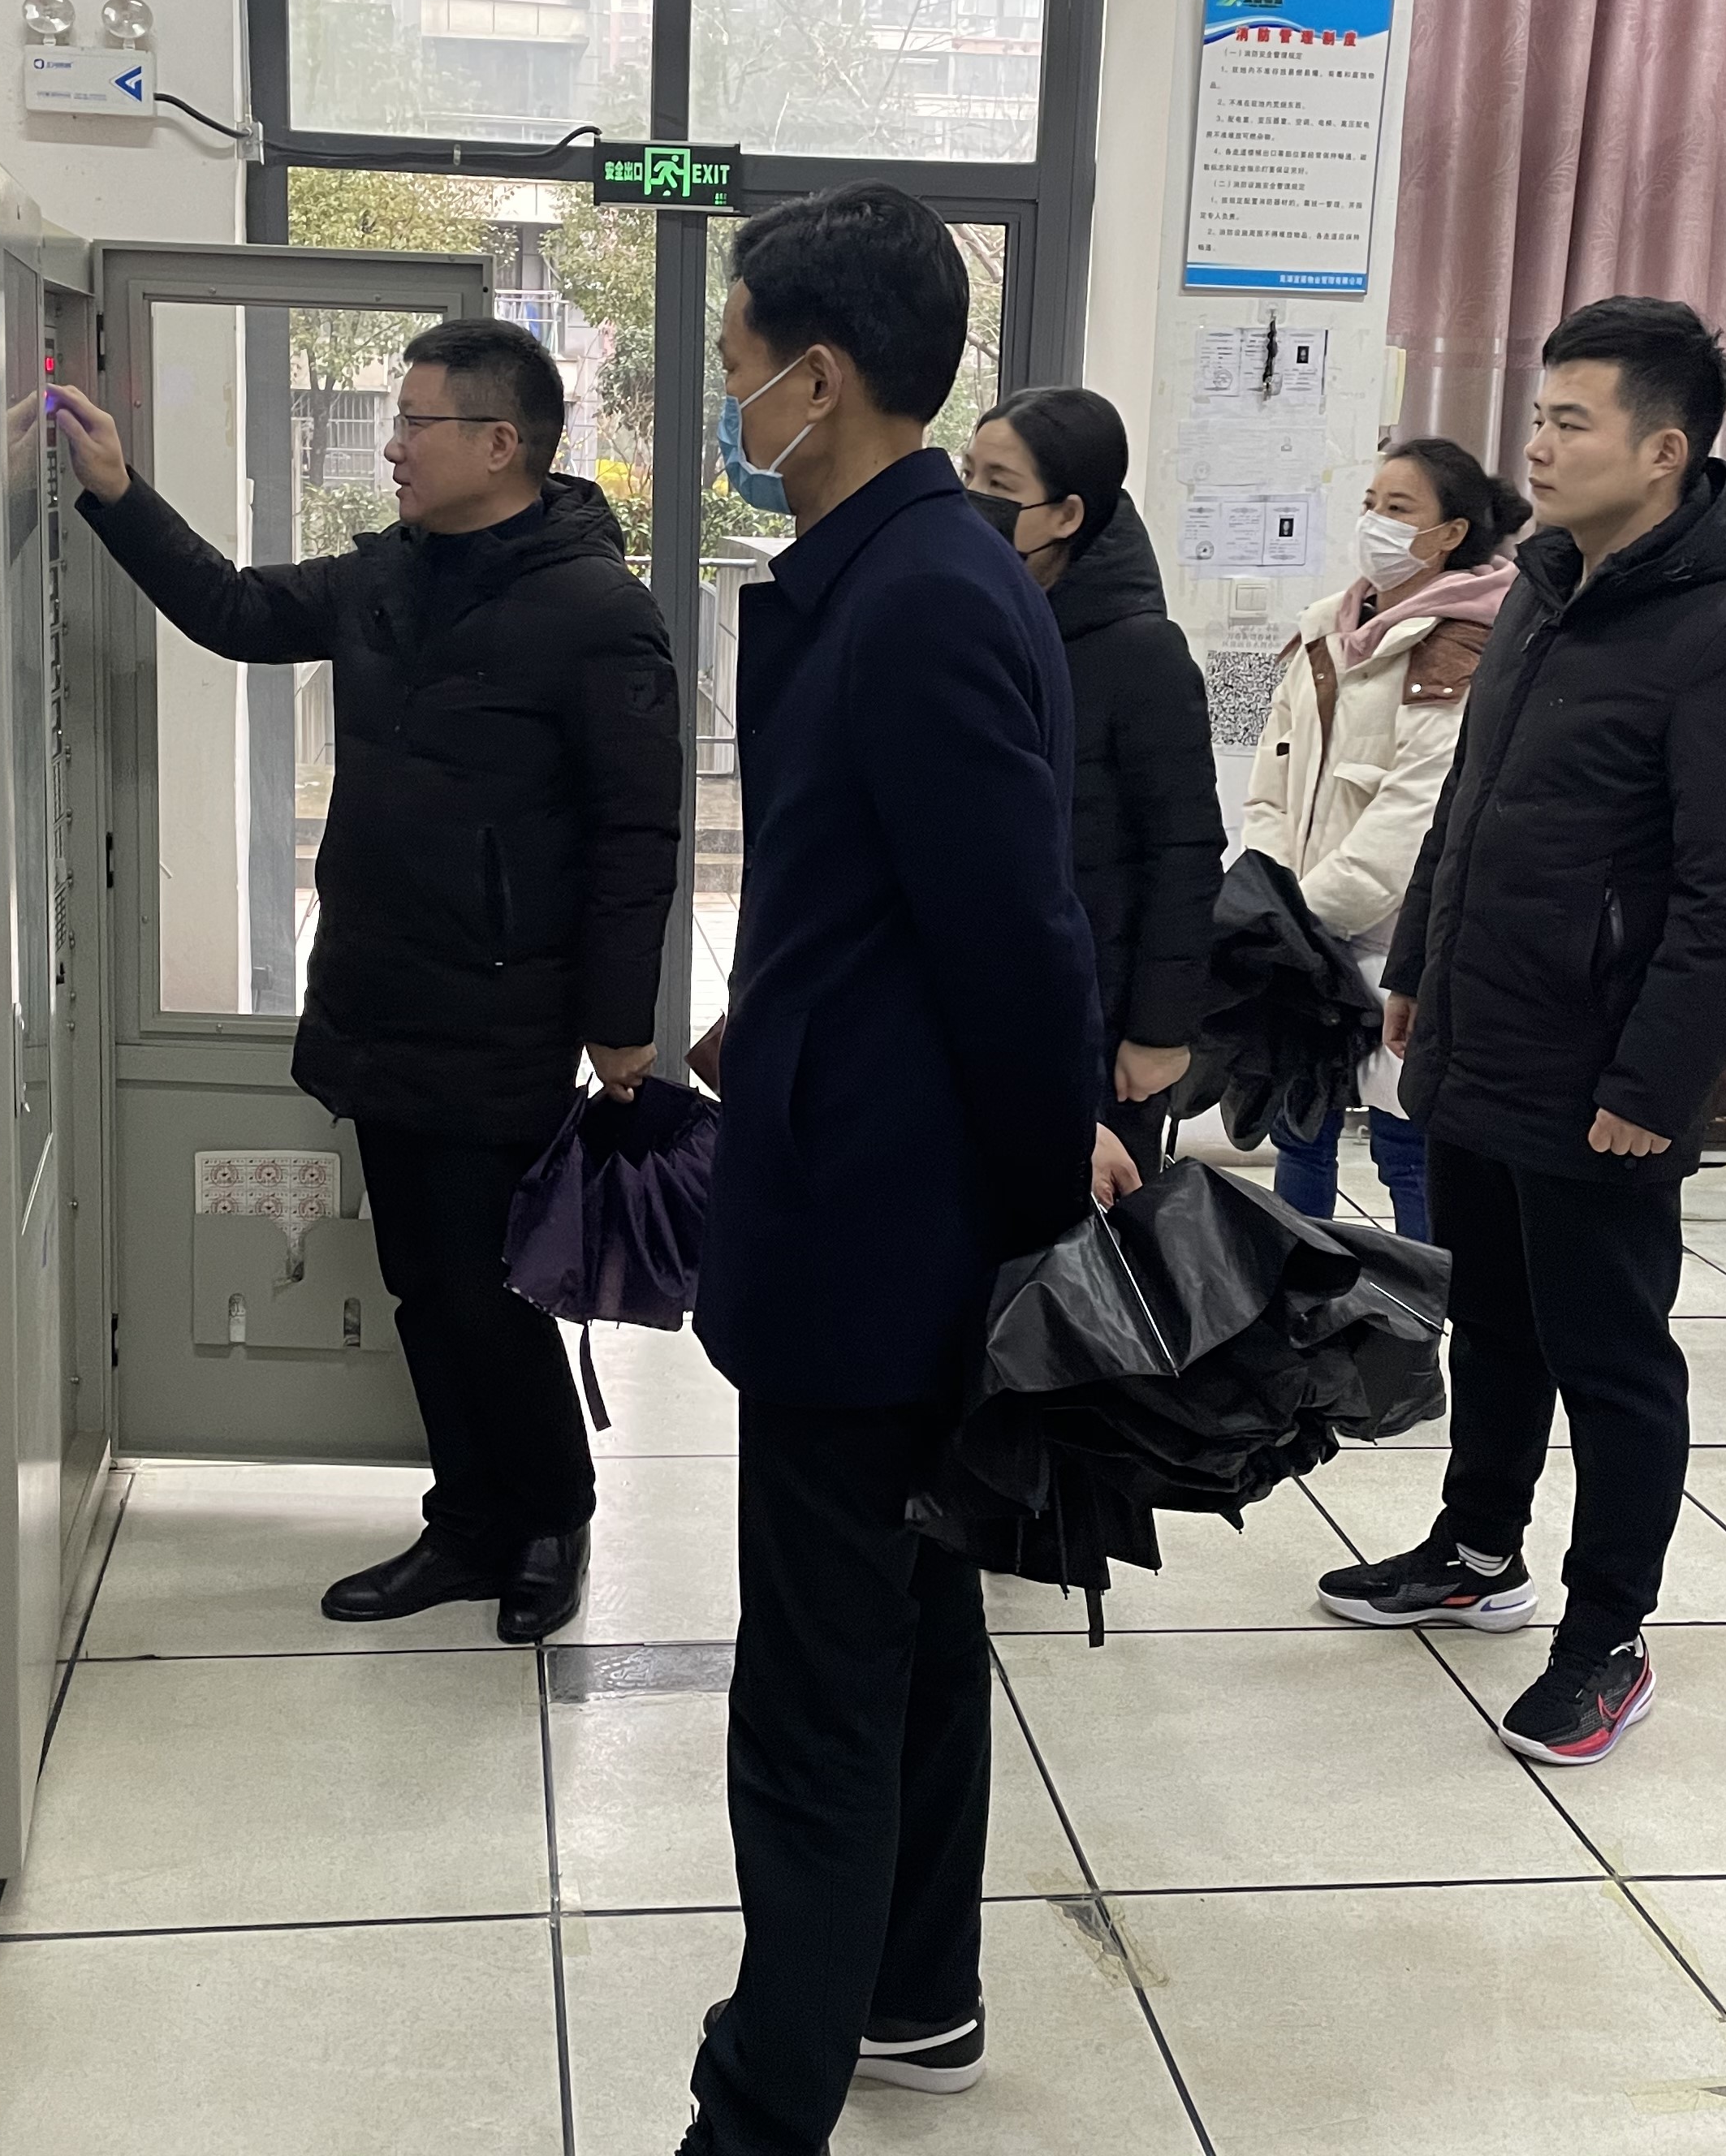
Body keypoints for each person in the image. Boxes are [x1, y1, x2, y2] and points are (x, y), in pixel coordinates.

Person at [675, 183, 1128, 2156]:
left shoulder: (926, 590)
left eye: (734, 360)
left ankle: (758, 2111)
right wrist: (770, 1010)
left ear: (820, 375)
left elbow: (1020, 943)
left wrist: (1031, 1222)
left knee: (815, 1696)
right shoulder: (894, 567)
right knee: (918, 1621)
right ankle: (916, 1993)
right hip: (869, 1180)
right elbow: (892, 898)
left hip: (880, 1239)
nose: (726, 396)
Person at [45, 319, 680, 1646]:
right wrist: (116, 493)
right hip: (377, 995)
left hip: (504, 1009)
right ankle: (467, 1520)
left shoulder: (596, 613)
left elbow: (636, 837)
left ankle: (550, 1516)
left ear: (499, 444)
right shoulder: (386, 574)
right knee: (418, 1282)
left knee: (491, 1287)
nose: (392, 447)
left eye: (415, 423)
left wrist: (621, 1025)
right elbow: (234, 609)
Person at [1316, 296, 1726, 1767]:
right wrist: (1419, 960)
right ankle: (1478, 1550)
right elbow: (1469, 801)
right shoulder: (1543, 582)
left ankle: (1607, 1632)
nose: (1536, 446)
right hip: (1485, 1024)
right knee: (1494, 1314)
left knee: (1609, 1355)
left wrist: (1654, 1085)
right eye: (1538, 416)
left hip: (1606, 1063)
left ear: (1664, 450)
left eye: (1571, 422)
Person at [1241, 438, 1524, 1239]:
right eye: (1371, 504)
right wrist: (1272, 899)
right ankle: (1297, 1295)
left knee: (1407, 1144)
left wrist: (1306, 915)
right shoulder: (1326, 627)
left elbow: (1417, 809)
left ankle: (1418, 1302)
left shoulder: (1466, 643)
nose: (1375, 522)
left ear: (1451, 533)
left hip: (1399, 938)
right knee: (1301, 1126)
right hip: (1303, 933)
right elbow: (1272, 778)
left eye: (1399, 509)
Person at [961, 386, 1221, 1171]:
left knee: (1087, 1233)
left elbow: (1185, 852)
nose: (973, 499)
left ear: (1068, 514)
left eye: (1000, 485)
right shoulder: (982, 618)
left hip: (1100, 1020)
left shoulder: (1143, 652)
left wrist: (1159, 1032)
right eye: (967, 473)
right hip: (994, 999)